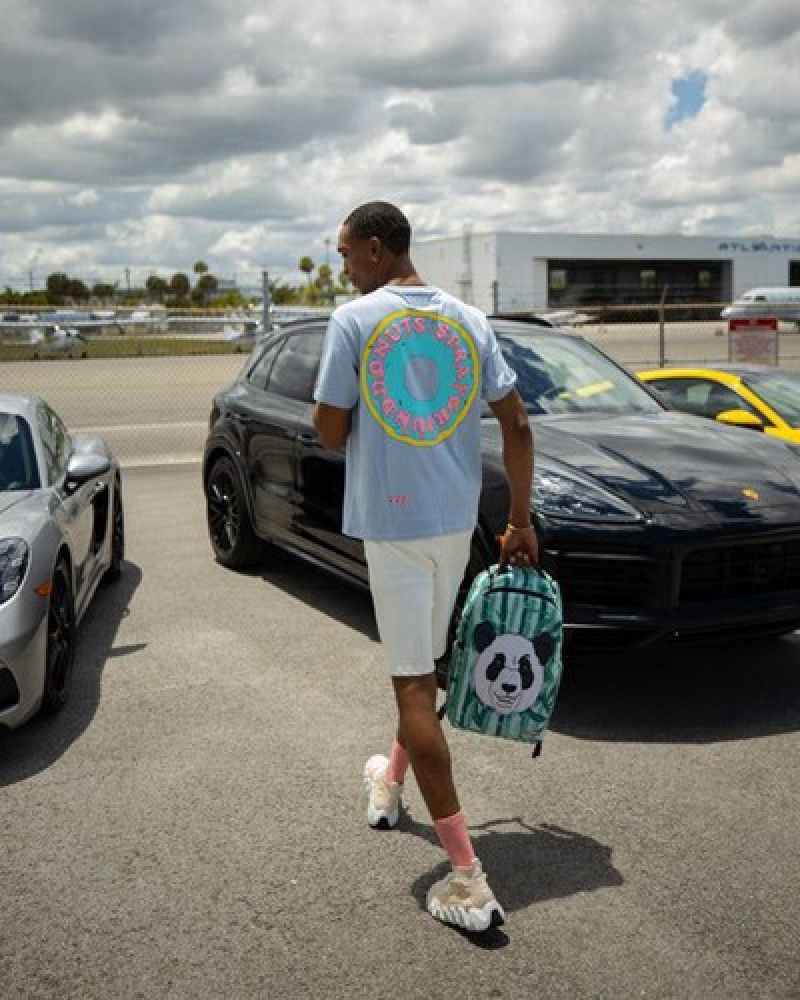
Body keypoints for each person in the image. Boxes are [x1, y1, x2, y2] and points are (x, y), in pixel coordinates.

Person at [313, 201, 537, 933]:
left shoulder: (354, 321)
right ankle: (389, 783)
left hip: (394, 526)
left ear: (376, 250)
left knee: (413, 685)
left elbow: (328, 427)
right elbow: (518, 423)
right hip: (455, 524)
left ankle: (468, 878)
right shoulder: (470, 320)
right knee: (424, 670)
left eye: (346, 253)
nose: (342, 265)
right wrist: (519, 521)